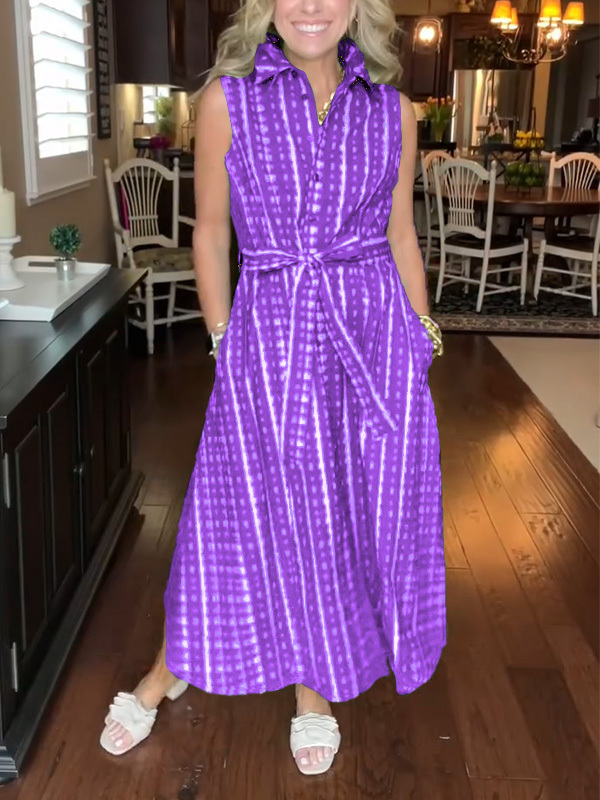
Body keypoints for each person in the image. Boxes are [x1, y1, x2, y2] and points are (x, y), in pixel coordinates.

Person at [100, 0, 446, 776]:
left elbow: (400, 232)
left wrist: (421, 336)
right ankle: (171, 664)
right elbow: (211, 230)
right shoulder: (228, 100)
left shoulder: (393, 112)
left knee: (339, 511)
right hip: (270, 334)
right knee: (231, 510)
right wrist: (225, 343)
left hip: (370, 338)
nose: (311, 6)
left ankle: (312, 687)